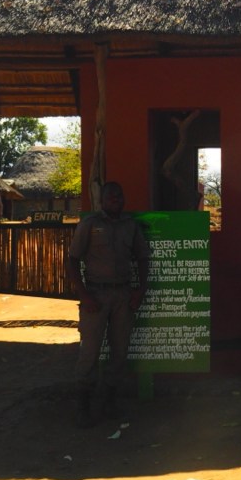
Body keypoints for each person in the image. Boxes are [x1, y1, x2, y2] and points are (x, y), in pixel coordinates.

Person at [65, 181, 150, 427]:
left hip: (123, 296)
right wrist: (84, 295)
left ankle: (110, 403)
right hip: (95, 295)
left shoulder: (130, 225)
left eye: (119, 196)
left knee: (120, 351)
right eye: (111, 197)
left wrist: (139, 291)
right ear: (102, 200)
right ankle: (83, 406)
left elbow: (143, 258)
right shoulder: (90, 224)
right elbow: (72, 260)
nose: (116, 200)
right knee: (90, 352)